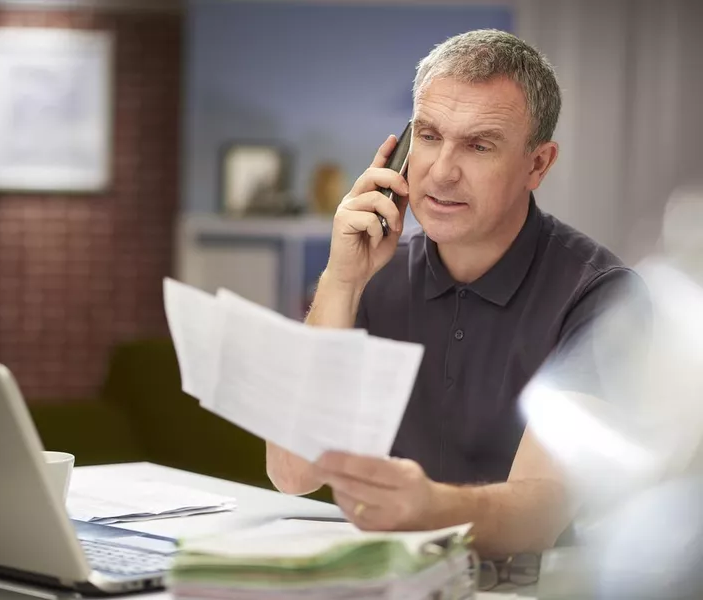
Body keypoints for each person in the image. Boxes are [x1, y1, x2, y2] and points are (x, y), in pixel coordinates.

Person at [265, 29, 643, 558]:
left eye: (479, 145)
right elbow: (292, 471)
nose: (441, 172)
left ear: (538, 164)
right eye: (429, 135)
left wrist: (427, 507)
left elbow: (540, 515)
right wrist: (343, 279)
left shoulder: (604, 298)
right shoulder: (374, 275)